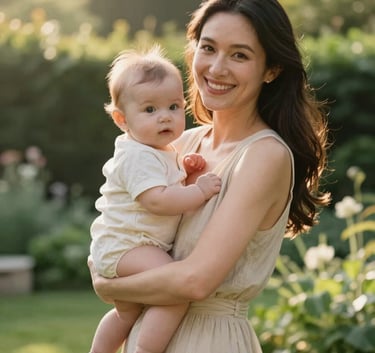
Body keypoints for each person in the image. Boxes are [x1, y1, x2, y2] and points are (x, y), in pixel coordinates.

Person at [89, 1, 331, 352]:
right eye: (208, 48)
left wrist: (109, 286)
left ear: (272, 69)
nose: (217, 68)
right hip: (149, 334)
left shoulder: (264, 156)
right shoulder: (180, 143)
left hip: (208, 341)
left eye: (240, 55)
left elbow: (195, 281)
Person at [89, 46, 222, 353]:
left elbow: (162, 180)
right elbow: (158, 201)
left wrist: (183, 169)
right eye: (150, 110)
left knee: (128, 312)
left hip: (128, 245)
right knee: (174, 290)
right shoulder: (137, 157)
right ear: (122, 119)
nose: (165, 117)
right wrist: (198, 191)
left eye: (174, 107)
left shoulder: (156, 151)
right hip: (128, 246)